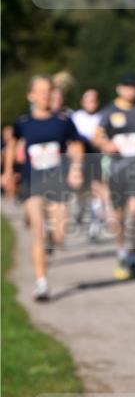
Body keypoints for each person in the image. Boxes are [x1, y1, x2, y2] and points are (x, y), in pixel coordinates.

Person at [2, 75, 84, 300]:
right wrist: (8, 173)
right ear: (30, 95)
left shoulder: (63, 121)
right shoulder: (23, 122)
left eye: (48, 91)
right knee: (38, 231)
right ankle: (42, 283)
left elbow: (76, 145)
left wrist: (76, 168)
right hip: (32, 183)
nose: (44, 95)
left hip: (57, 183)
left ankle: (51, 243)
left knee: (59, 235)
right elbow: (11, 145)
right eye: (39, 91)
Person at [94, 75, 135, 280]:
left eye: (134, 88)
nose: (131, 91)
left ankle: (133, 253)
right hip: (117, 169)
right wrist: (106, 145)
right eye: (127, 87)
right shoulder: (108, 112)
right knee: (120, 214)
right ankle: (122, 251)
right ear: (119, 88)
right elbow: (97, 136)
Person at [71, 87, 106, 241]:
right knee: (79, 193)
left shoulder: (102, 118)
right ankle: (78, 214)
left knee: (97, 193)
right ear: (83, 101)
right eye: (89, 99)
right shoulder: (75, 117)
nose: (92, 103)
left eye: (94, 100)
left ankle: (94, 228)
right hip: (79, 160)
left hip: (96, 158)